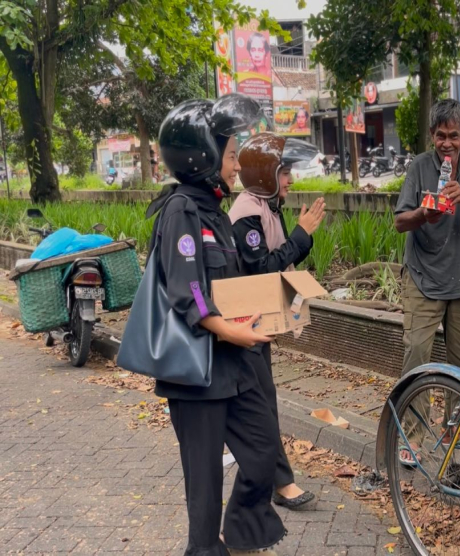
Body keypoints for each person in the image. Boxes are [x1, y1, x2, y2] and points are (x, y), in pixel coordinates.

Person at [141, 93, 286, 556]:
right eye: (228, 154)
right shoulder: (181, 209)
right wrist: (227, 329)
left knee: (264, 454)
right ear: (201, 156)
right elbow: (189, 290)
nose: (234, 163)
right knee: (203, 497)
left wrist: (273, 306)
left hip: (235, 365)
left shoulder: (216, 214)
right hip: (198, 374)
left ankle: (239, 534)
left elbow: (236, 281)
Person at [393, 99, 460, 464]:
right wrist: (425, 212)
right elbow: (400, 221)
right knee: (417, 358)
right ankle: (412, 436)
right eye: (440, 136)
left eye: (454, 135)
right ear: (432, 137)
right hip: (422, 278)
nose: (447, 143)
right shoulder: (420, 167)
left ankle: (457, 433)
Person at [229, 132, 326, 511]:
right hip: (242, 324)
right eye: (284, 172)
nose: (290, 180)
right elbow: (262, 272)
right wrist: (301, 236)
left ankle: (263, 477)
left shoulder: (265, 208)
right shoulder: (246, 216)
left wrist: (301, 237)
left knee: (256, 405)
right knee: (262, 406)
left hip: (257, 325)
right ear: (266, 174)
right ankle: (279, 483)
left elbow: (278, 262)